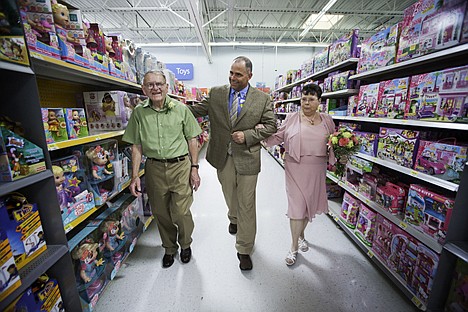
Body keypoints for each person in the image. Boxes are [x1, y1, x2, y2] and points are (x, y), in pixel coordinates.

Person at [188, 56, 277, 271]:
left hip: (247, 156)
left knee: (247, 202)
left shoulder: (262, 99)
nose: (232, 77)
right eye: (231, 73)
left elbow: (271, 125)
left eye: (238, 74)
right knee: (229, 194)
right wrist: (167, 105)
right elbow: (195, 111)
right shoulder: (217, 93)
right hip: (222, 155)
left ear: (249, 76)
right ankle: (233, 217)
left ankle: (244, 248)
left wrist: (247, 135)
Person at [122, 70, 202, 268]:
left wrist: (194, 168)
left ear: (167, 87)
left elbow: (193, 139)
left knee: (181, 211)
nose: (155, 88)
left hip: (181, 166)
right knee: (160, 212)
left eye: (159, 84)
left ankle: (185, 244)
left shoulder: (181, 109)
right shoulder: (139, 113)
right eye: (150, 85)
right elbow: (136, 146)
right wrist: (134, 176)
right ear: (144, 89)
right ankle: (169, 248)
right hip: (154, 168)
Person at [263, 83, 337, 266]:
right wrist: (261, 136)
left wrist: (340, 156)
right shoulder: (292, 117)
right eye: (304, 98)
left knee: (308, 206)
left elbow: (335, 141)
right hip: (295, 166)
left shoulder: (327, 120)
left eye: (311, 99)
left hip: (317, 167)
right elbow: (279, 136)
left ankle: (301, 234)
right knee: (297, 207)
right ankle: (293, 246)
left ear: (320, 101)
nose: (306, 102)